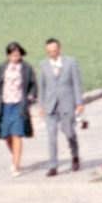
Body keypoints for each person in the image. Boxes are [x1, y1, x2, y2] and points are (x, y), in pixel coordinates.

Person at [0, 41, 38, 176]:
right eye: (13, 55)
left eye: (18, 54)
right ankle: (16, 156)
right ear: (8, 55)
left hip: (19, 104)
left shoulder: (26, 68)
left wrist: (31, 97)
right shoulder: (2, 67)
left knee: (17, 133)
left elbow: (33, 84)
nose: (16, 57)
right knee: (7, 135)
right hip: (4, 104)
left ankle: (16, 165)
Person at [34, 38, 83, 177]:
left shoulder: (70, 62)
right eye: (49, 51)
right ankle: (53, 166)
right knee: (51, 136)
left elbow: (76, 83)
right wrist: (41, 105)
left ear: (59, 48)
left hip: (66, 103)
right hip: (50, 105)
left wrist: (79, 102)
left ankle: (75, 155)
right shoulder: (43, 65)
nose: (52, 54)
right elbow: (42, 86)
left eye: (55, 51)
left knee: (69, 133)